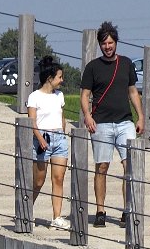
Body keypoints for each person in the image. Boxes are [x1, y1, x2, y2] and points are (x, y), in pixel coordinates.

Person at [79, 21, 144, 228]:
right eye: (104, 43)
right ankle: (100, 210)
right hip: (102, 124)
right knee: (102, 166)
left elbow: (133, 92)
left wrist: (140, 116)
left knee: (129, 166)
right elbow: (85, 95)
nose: (107, 46)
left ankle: (127, 209)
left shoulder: (126, 64)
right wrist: (87, 116)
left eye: (110, 42)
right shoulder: (92, 67)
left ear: (116, 43)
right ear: (100, 45)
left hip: (125, 121)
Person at [28, 55, 70, 230]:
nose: (62, 80)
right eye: (59, 77)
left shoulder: (59, 96)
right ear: (50, 78)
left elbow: (61, 115)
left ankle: (57, 217)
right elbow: (32, 122)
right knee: (38, 181)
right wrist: (40, 139)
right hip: (41, 140)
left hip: (59, 138)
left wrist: (63, 130)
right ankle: (26, 208)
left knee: (58, 178)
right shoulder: (34, 97)